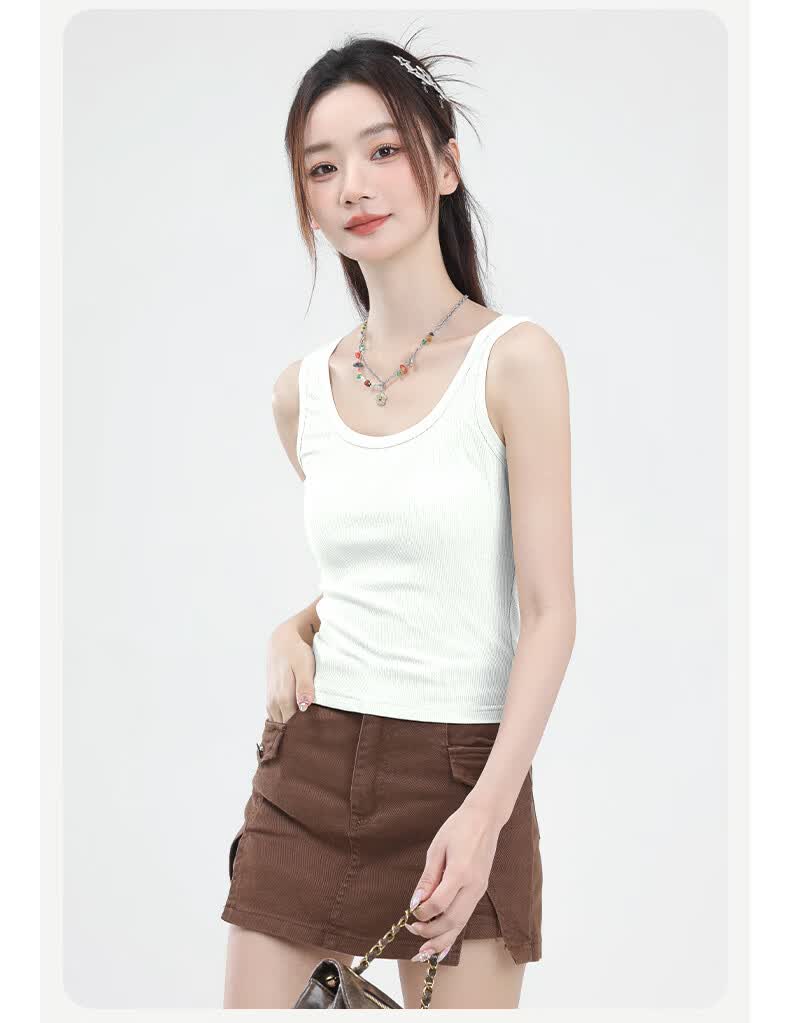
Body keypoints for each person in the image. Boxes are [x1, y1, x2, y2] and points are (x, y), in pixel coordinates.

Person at [221, 31, 576, 1010]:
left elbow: (549, 610)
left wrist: (487, 813)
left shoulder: (516, 361)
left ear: (445, 165)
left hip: (464, 771)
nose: (354, 186)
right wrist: (295, 625)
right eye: (321, 167)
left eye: (383, 149)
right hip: (310, 767)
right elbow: (387, 571)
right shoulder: (301, 394)